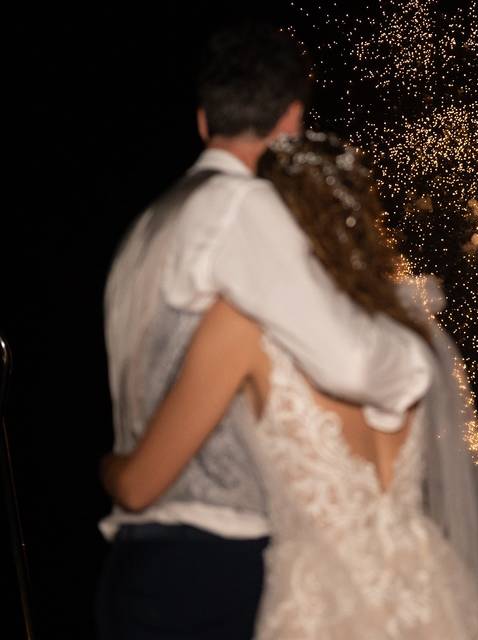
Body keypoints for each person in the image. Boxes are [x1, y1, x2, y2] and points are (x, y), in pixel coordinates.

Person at [103, 132, 478, 638]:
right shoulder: (407, 325)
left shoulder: (243, 327)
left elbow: (138, 485)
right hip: (433, 593)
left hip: (324, 603)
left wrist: (110, 463)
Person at [96, 23, 436, 639]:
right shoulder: (239, 209)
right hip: (216, 558)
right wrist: (416, 350)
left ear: (204, 121)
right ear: (292, 119)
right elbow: (353, 363)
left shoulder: (145, 227)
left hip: (138, 558)